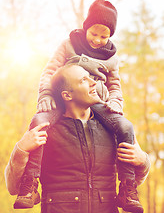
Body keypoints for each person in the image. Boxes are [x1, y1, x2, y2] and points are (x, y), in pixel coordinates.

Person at [5, 65, 150, 213]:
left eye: (90, 77)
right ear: (67, 95)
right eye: (83, 80)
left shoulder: (114, 128)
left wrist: (143, 162)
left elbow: (133, 184)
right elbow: (13, 187)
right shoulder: (45, 129)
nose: (94, 82)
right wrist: (21, 149)